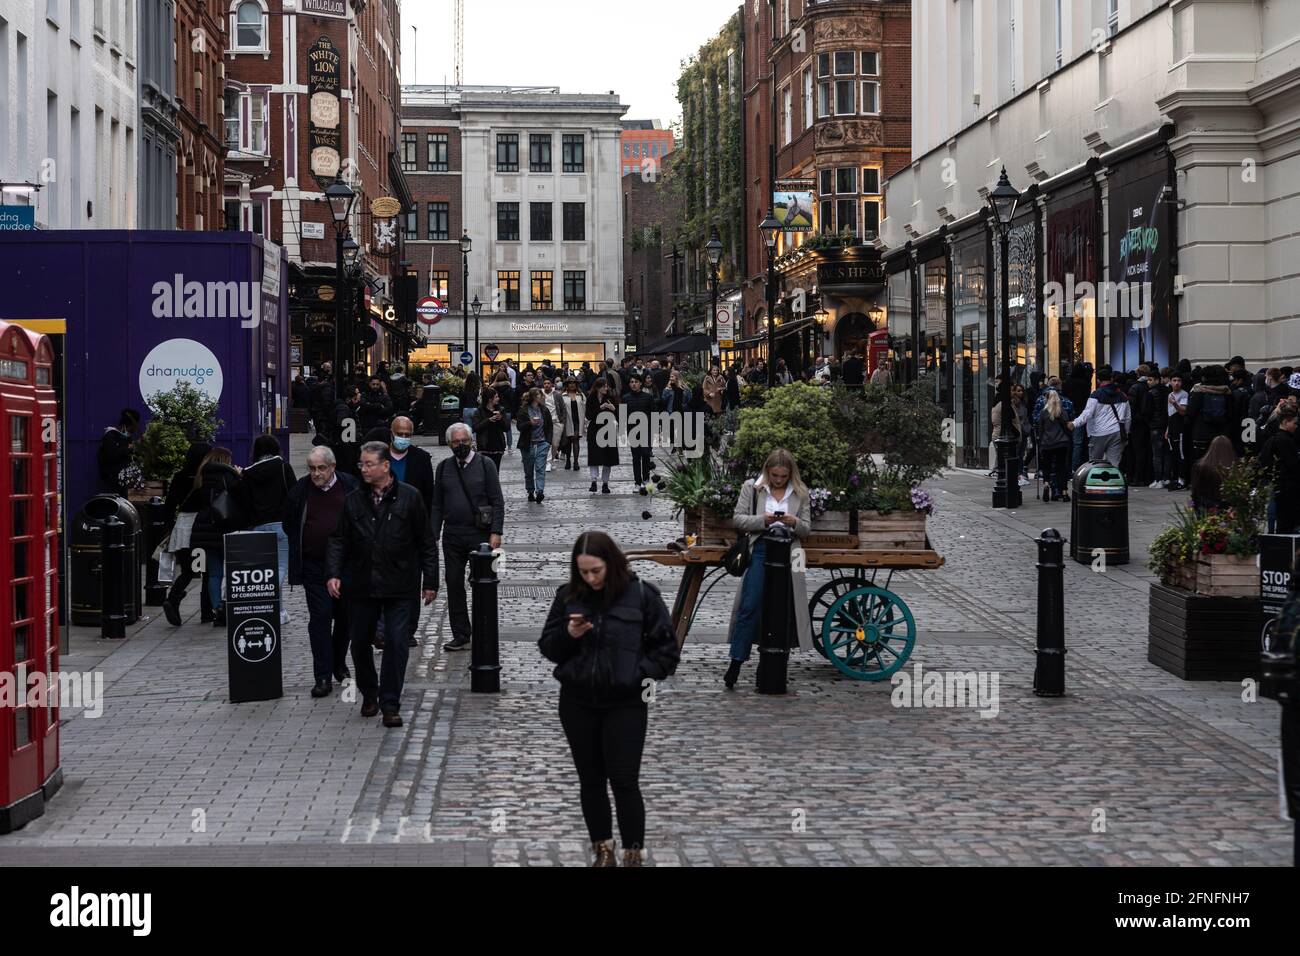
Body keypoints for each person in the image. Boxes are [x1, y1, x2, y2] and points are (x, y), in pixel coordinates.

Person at [537, 531, 679, 867]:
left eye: (596, 570)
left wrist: (637, 673)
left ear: (610, 563)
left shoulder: (641, 595)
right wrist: (569, 635)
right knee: (591, 779)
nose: (590, 578)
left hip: (625, 702)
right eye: (584, 572)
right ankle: (602, 849)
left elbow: (667, 651)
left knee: (624, 778)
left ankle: (633, 852)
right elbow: (548, 647)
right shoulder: (569, 596)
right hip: (577, 701)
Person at [326, 442, 438, 727]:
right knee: (360, 643)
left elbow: (426, 542)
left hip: (400, 583)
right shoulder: (353, 500)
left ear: (385, 466)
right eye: (361, 464)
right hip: (362, 584)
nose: (363, 468)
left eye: (368, 464)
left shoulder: (409, 497)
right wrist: (334, 573)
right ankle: (369, 691)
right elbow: (339, 539)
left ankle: (390, 703)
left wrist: (430, 581)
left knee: (397, 644)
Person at [724, 449, 812, 689]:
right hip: (761, 547)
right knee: (749, 605)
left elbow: (806, 529)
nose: (778, 480)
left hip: (790, 551)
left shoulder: (801, 493)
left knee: (787, 608)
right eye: (774, 475)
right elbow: (738, 519)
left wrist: (793, 522)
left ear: (790, 474)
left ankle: (776, 662)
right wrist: (764, 519)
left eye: (783, 476)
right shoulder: (752, 488)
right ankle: (736, 662)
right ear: (767, 471)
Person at [285, 445, 359, 697]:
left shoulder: (350, 485)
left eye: (321, 468)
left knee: (344, 618)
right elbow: (290, 523)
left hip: (345, 565)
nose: (316, 474)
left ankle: (339, 662)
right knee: (320, 618)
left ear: (333, 467)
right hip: (314, 566)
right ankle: (323, 675)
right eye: (312, 469)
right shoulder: (300, 490)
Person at [430, 424, 505, 653]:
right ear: (449, 443)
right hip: (452, 535)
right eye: (456, 442)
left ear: (471, 440)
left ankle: (484, 629)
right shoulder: (443, 468)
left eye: (464, 440)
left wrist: (496, 532)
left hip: (480, 535)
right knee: (453, 583)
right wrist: (434, 534)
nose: (461, 445)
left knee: (483, 584)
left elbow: (497, 500)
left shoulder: (485, 465)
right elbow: (437, 504)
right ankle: (461, 633)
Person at [237, 434, 297, 622]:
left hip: (258, 527)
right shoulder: (282, 466)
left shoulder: (247, 473)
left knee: (266, 569)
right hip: (281, 525)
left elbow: (244, 502)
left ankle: (278, 611)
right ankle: (269, 601)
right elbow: (294, 493)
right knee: (278, 569)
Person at [188, 447, 245, 627]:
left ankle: (217, 609)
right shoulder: (228, 476)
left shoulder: (201, 477)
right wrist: (239, 475)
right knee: (233, 571)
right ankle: (231, 606)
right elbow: (241, 496)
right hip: (225, 528)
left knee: (214, 573)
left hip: (205, 529)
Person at [160, 441, 214, 626]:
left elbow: (169, 506)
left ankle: (173, 598)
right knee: (206, 570)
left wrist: (168, 527)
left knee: (188, 570)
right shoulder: (205, 477)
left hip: (181, 528)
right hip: (199, 528)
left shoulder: (179, 476)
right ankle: (207, 612)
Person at [1068, 365, 1130, 467]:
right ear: (1111, 379)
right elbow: (1127, 418)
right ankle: (1112, 482)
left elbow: (1087, 413)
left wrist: (1075, 423)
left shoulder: (1096, 395)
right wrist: (1125, 433)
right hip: (1117, 432)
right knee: (1114, 464)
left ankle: (1097, 482)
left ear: (1098, 380)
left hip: (1098, 432)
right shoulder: (1123, 395)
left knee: (1095, 463)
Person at [1259, 406, 1300, 533]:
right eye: (1294, 423)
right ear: (1285, 422)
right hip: (1287, 489)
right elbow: (1293, 465)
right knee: (1285, 523)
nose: (1296, 426)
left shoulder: (1273, 439)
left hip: (1276, 485)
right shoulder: (1285, 441)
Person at [1185, 363, 1234, 467]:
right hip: (1221, 434)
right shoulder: (1227, 392)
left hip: (1201, 434)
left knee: (1201, 463)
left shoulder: (1199, 392)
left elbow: (1190, 413)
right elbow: (1231, 414)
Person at [1033, 386, 1074, 502]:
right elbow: (1068, 426)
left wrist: (1040, 442)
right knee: (1062, 468)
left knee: (1047, 466)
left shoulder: (1043, 413)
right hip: (1062, 443)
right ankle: (1064, 492)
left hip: (1047, 443)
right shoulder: (1062, 412)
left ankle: (1046, 484)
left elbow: (1040, 430)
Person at [515, 387, 554, 504]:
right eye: (539, 395)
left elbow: (549, 426)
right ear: (533, 397)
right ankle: (530, 491)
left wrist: (548, 441)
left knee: (540, 467)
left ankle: (540, 491)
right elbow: (519, 426)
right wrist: (530, 423)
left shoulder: (544, 410)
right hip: (528, 443)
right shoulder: (523, 411)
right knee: (529, 469)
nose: (541, 397)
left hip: (542, 442)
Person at [1188, 435, 1237, 515]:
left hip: (1206, 509)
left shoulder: (1200, 467)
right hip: (1229, 511)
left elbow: (1195, 492)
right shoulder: (1235, 467)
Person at [624, 374, 655, 496]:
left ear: (640, 383)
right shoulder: (626, 398)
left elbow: (653, 413)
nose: (633, 384)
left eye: (636, 381)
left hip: (646, 430)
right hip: (633, 431)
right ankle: (637, 482)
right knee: (636, 457)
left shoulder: (648, 397)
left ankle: (646, 480)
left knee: (646, 454)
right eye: (631, 382)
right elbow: (623, 415)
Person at [586, 379, 619, 494]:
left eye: (607, 386)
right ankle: (593, 481)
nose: (606, 388)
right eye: (604, 386)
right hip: (594, 430)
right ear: (597, 387)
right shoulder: (591, 398)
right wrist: (599, 408)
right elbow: (588, 416)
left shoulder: (611, 398)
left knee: (608, 458)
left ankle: (605, 483)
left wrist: (613, 409)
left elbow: (619, 414)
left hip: (608, 430)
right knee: (594, 457)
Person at [98, 408, 140, 495]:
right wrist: (129, 448)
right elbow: (111, 455)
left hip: (125, 478)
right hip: (115, 477)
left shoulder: (126, 438)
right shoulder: (111, 435)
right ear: (125, 425)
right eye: (130, 429)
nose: (131, 432)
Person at [1144, 367, 1171, 488]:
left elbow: (1146, 411)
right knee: (1166, 452)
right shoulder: (1167, 391)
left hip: (1155, 426)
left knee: (1157, 454)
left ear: (1157, 380)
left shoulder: (1150, 393)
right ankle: (1166, 478)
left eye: (1150, 380)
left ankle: (1158, 479)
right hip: (1166, 425)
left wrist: (1149, 422)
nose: (1148, 382)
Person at [472, 387, 509, 473]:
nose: (498, 399)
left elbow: (507, 428)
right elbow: (476, 428)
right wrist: (488, 420)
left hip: (498, 446)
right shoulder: (479, 411)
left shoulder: (500, 410)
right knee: (485, 472)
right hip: (485, 446)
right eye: (496, 397)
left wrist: (501, 419)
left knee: (495, 472)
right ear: (489, 399)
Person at [1126, 365, 1152, 486]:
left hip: (1137, 423)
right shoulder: (1150, 386)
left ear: (1138, 374)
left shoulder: (1135, 387)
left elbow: (1131, 407)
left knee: (1137, 450)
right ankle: (1147, 476)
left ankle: (1136, 477)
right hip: (1149, 422)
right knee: (1147, 450)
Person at [1165, 372, 1190, 489]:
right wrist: (1167, 429)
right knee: (1174, 453)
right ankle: (1175, 478)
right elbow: (1170, 414)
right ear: (1170, 382)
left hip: (1179, 427)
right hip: (1172, 426)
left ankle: (1182, 479)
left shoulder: (1184, 394)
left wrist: (1175, 403)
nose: (1176, 383)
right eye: (1174, 380)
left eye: (1179, 380)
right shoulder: (1170, 394)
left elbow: (1183, 411)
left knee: (1180, 454)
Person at [557, 378, 586, 471]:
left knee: (576, 440)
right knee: (568, 442)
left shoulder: (581, 395)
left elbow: (585, 407)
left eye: (574, 383)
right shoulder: (562, 396)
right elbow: (559, 409)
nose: (572, 385)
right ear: (567, 385)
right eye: (570, 383)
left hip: (578, 421)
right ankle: (568, 460)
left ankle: (576, 462)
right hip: (567, 421)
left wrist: (585, 421)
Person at [541, 376, 562, 470]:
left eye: (548, 383)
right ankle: (548, 462)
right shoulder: (540, 394)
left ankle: (552, 459)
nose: (546, 385)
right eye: (545, 383)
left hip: (556, 421)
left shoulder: (556, 394)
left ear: (552, 384)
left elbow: (562, 407)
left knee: (555, 443)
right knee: (546, 442)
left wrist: (562, 420)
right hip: (545, 422)